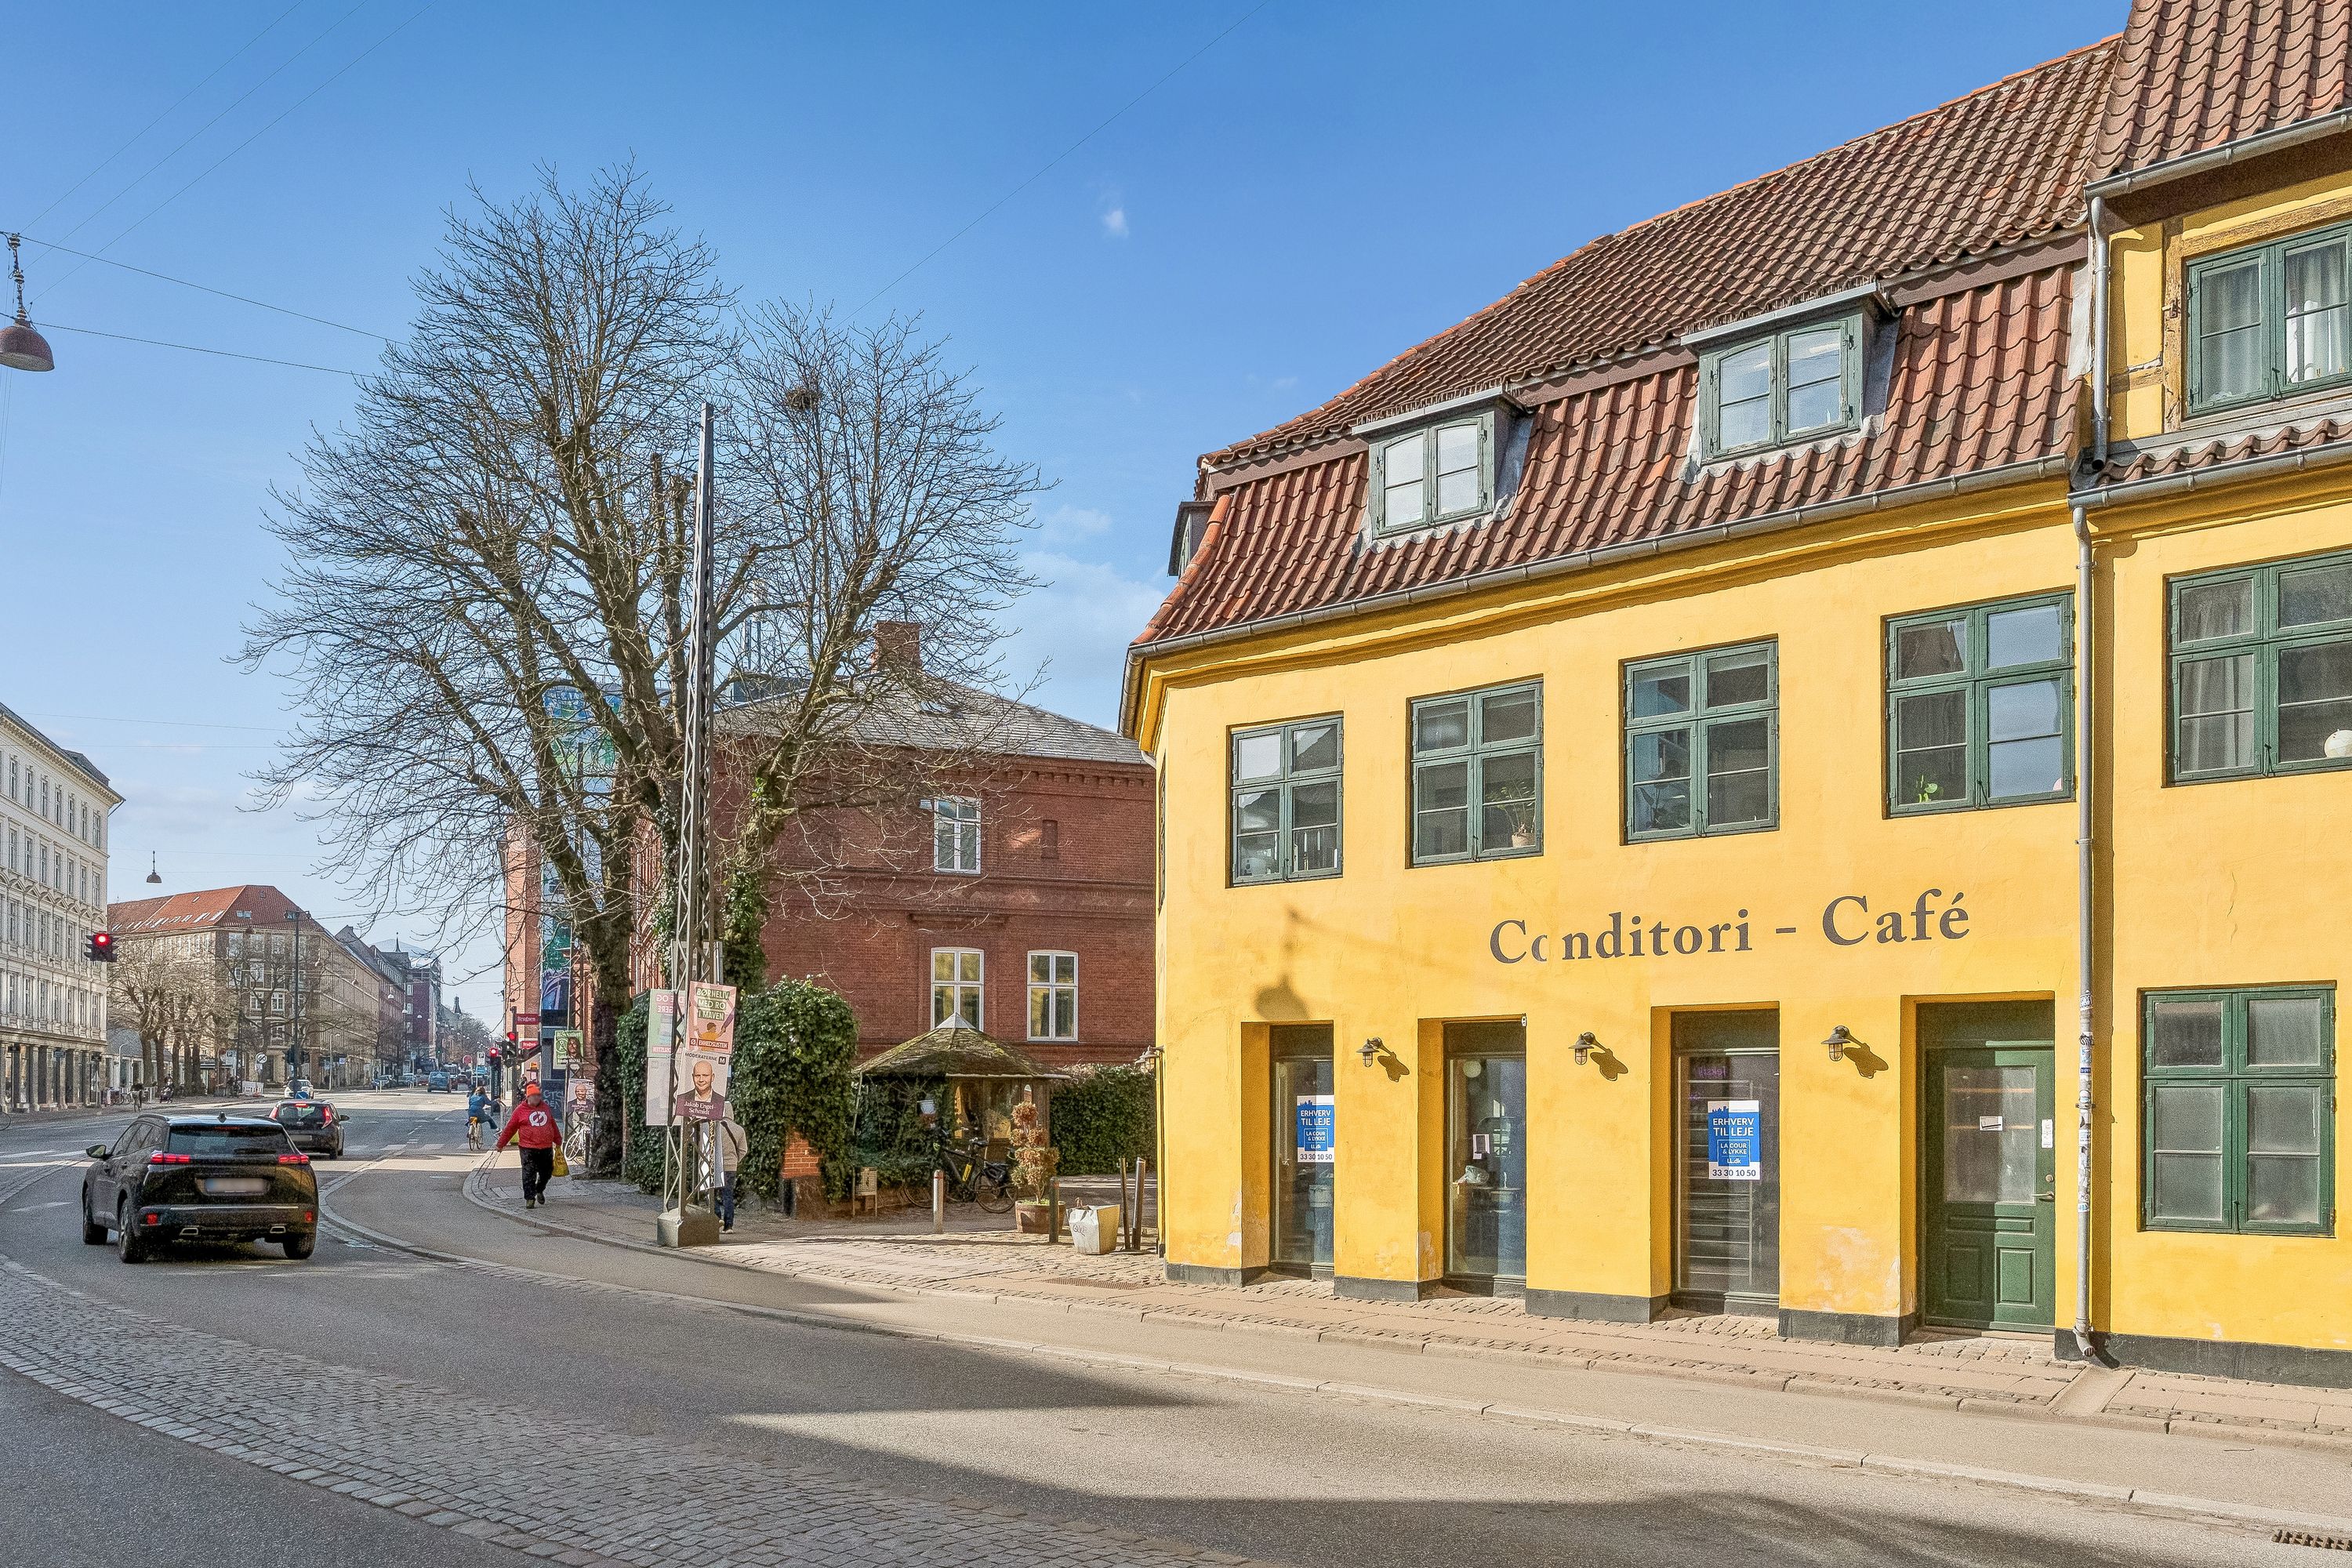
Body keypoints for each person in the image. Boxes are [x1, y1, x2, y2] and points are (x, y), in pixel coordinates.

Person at [495, 1080, 562, 1208]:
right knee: (529, 1173)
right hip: (528, 1148)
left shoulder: (545, 1107)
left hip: (546, 1147)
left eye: (539, 1095)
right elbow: (510, 1128)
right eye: (534, 1095)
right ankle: (530, 1198)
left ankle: (539, 1189)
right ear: (528, 1096)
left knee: (547, 1172)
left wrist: (558, 1139)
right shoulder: (520, 1111)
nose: (537, 1098)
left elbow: (552, 1124)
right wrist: (500, 1144)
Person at [714, 1116, 747, 1231]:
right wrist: (735, 1161)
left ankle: (716, 1218)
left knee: (711, 1194)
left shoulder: (715, 1127)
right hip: (731, 1167)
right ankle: (728, 1226)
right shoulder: (739, 1129)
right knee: (728, 1195)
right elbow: (743, 1150)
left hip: (716, 1166)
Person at [671, 1057, 726, 1123]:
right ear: (693, 1077)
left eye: (705, 1075)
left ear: (712, 1077)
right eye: (697, 1076)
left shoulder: (720, 1101)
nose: (701, 1080)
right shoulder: (682, 1099)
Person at [466, 1084, 495, 1151]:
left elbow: (470, 1102)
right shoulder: (483, 1096)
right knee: (486, 1118)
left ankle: (470, 1132)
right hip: (479, 1111)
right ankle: (496, 1129)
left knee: (472, 1120)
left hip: (471, 1110)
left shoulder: (473, 1096)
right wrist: (496, 1101)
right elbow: (489, 1103)